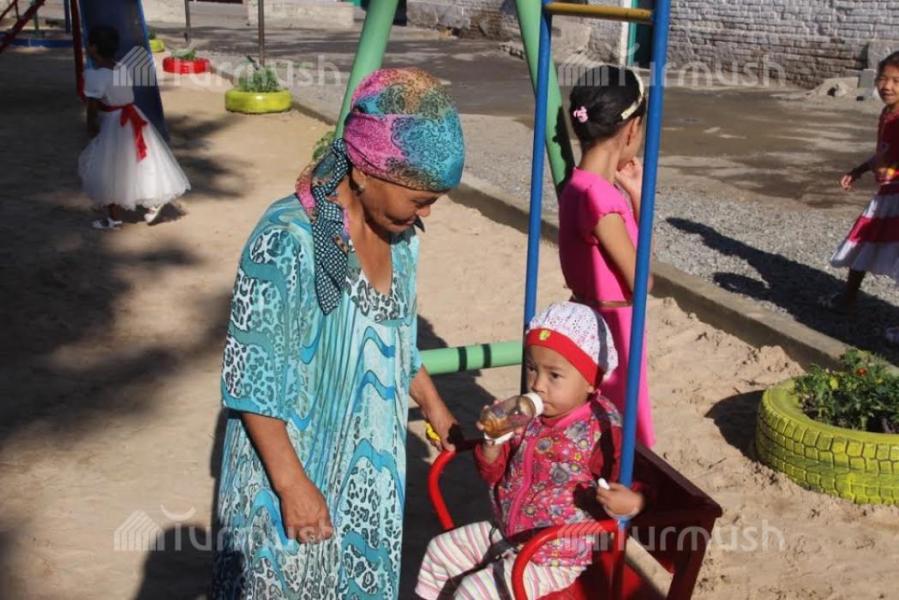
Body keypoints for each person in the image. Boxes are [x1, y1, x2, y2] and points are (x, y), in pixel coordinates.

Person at [212, 67, 465, 599]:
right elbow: (250, 382)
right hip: (290, 478)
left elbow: (397, 340)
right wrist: (292, 486)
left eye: (433, 202)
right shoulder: (286, 240)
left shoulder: (403, 240)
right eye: (419, 199)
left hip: (369, 485)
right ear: (367, 170)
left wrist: (435, 407)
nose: (425, 213)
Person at [416, 301, 649, 599]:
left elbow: (632, 479)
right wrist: (491, 444)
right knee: (440, 552)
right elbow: (494, 474)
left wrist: (633, 501)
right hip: (508, 532)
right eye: (531, 368)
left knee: (474, 593)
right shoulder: (528, 415)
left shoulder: (601, 430)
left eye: (554, 376)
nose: (537, 384)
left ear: (591, 381)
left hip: (554, 556)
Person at [558, 65, 655, 447]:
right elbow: (642, 280)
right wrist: (638, 200)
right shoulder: (599, 198)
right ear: (632, 129)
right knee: (622, 436)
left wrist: (634, 196)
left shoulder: (577, 184)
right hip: (613, 329)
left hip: (588, 316)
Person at [78, 25, 189, 230]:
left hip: (114, 121)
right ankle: (154, 200)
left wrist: (90, 125)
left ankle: (113, 219)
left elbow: (92, 106)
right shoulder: (122, 67)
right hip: (133, 116)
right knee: (140, 162)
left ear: (93, 48)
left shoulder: (94, 76)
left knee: (108, 169)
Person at [824, 51, 899, 319]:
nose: (887, 86)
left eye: (897, 81)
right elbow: (883, 153)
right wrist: (859, 170)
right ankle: (848, 297)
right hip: (887, 195)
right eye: (883, 78)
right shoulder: (887, 114)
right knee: (864, 238)